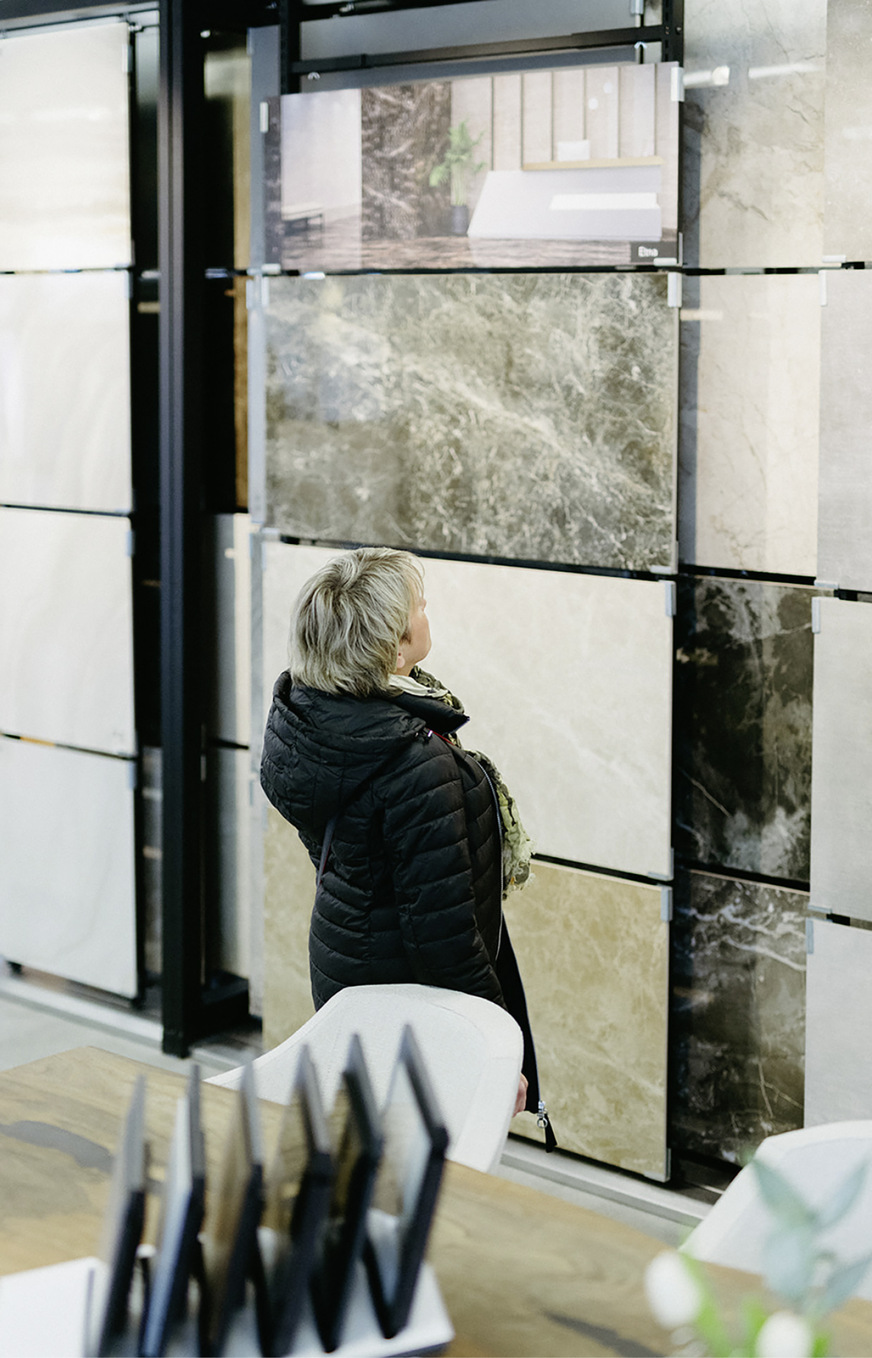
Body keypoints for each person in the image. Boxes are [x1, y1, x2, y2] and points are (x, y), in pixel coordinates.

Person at [260, 545, 554, 1137]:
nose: (427, 609)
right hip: (407, 990)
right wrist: (496, 1050)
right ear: (394, 648)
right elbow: (445, 936)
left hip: (347, 957)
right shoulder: (414, 763)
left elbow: (342, 847)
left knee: (368, 1138)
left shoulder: (313, 716)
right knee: (415, 1154)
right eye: (418, 606)